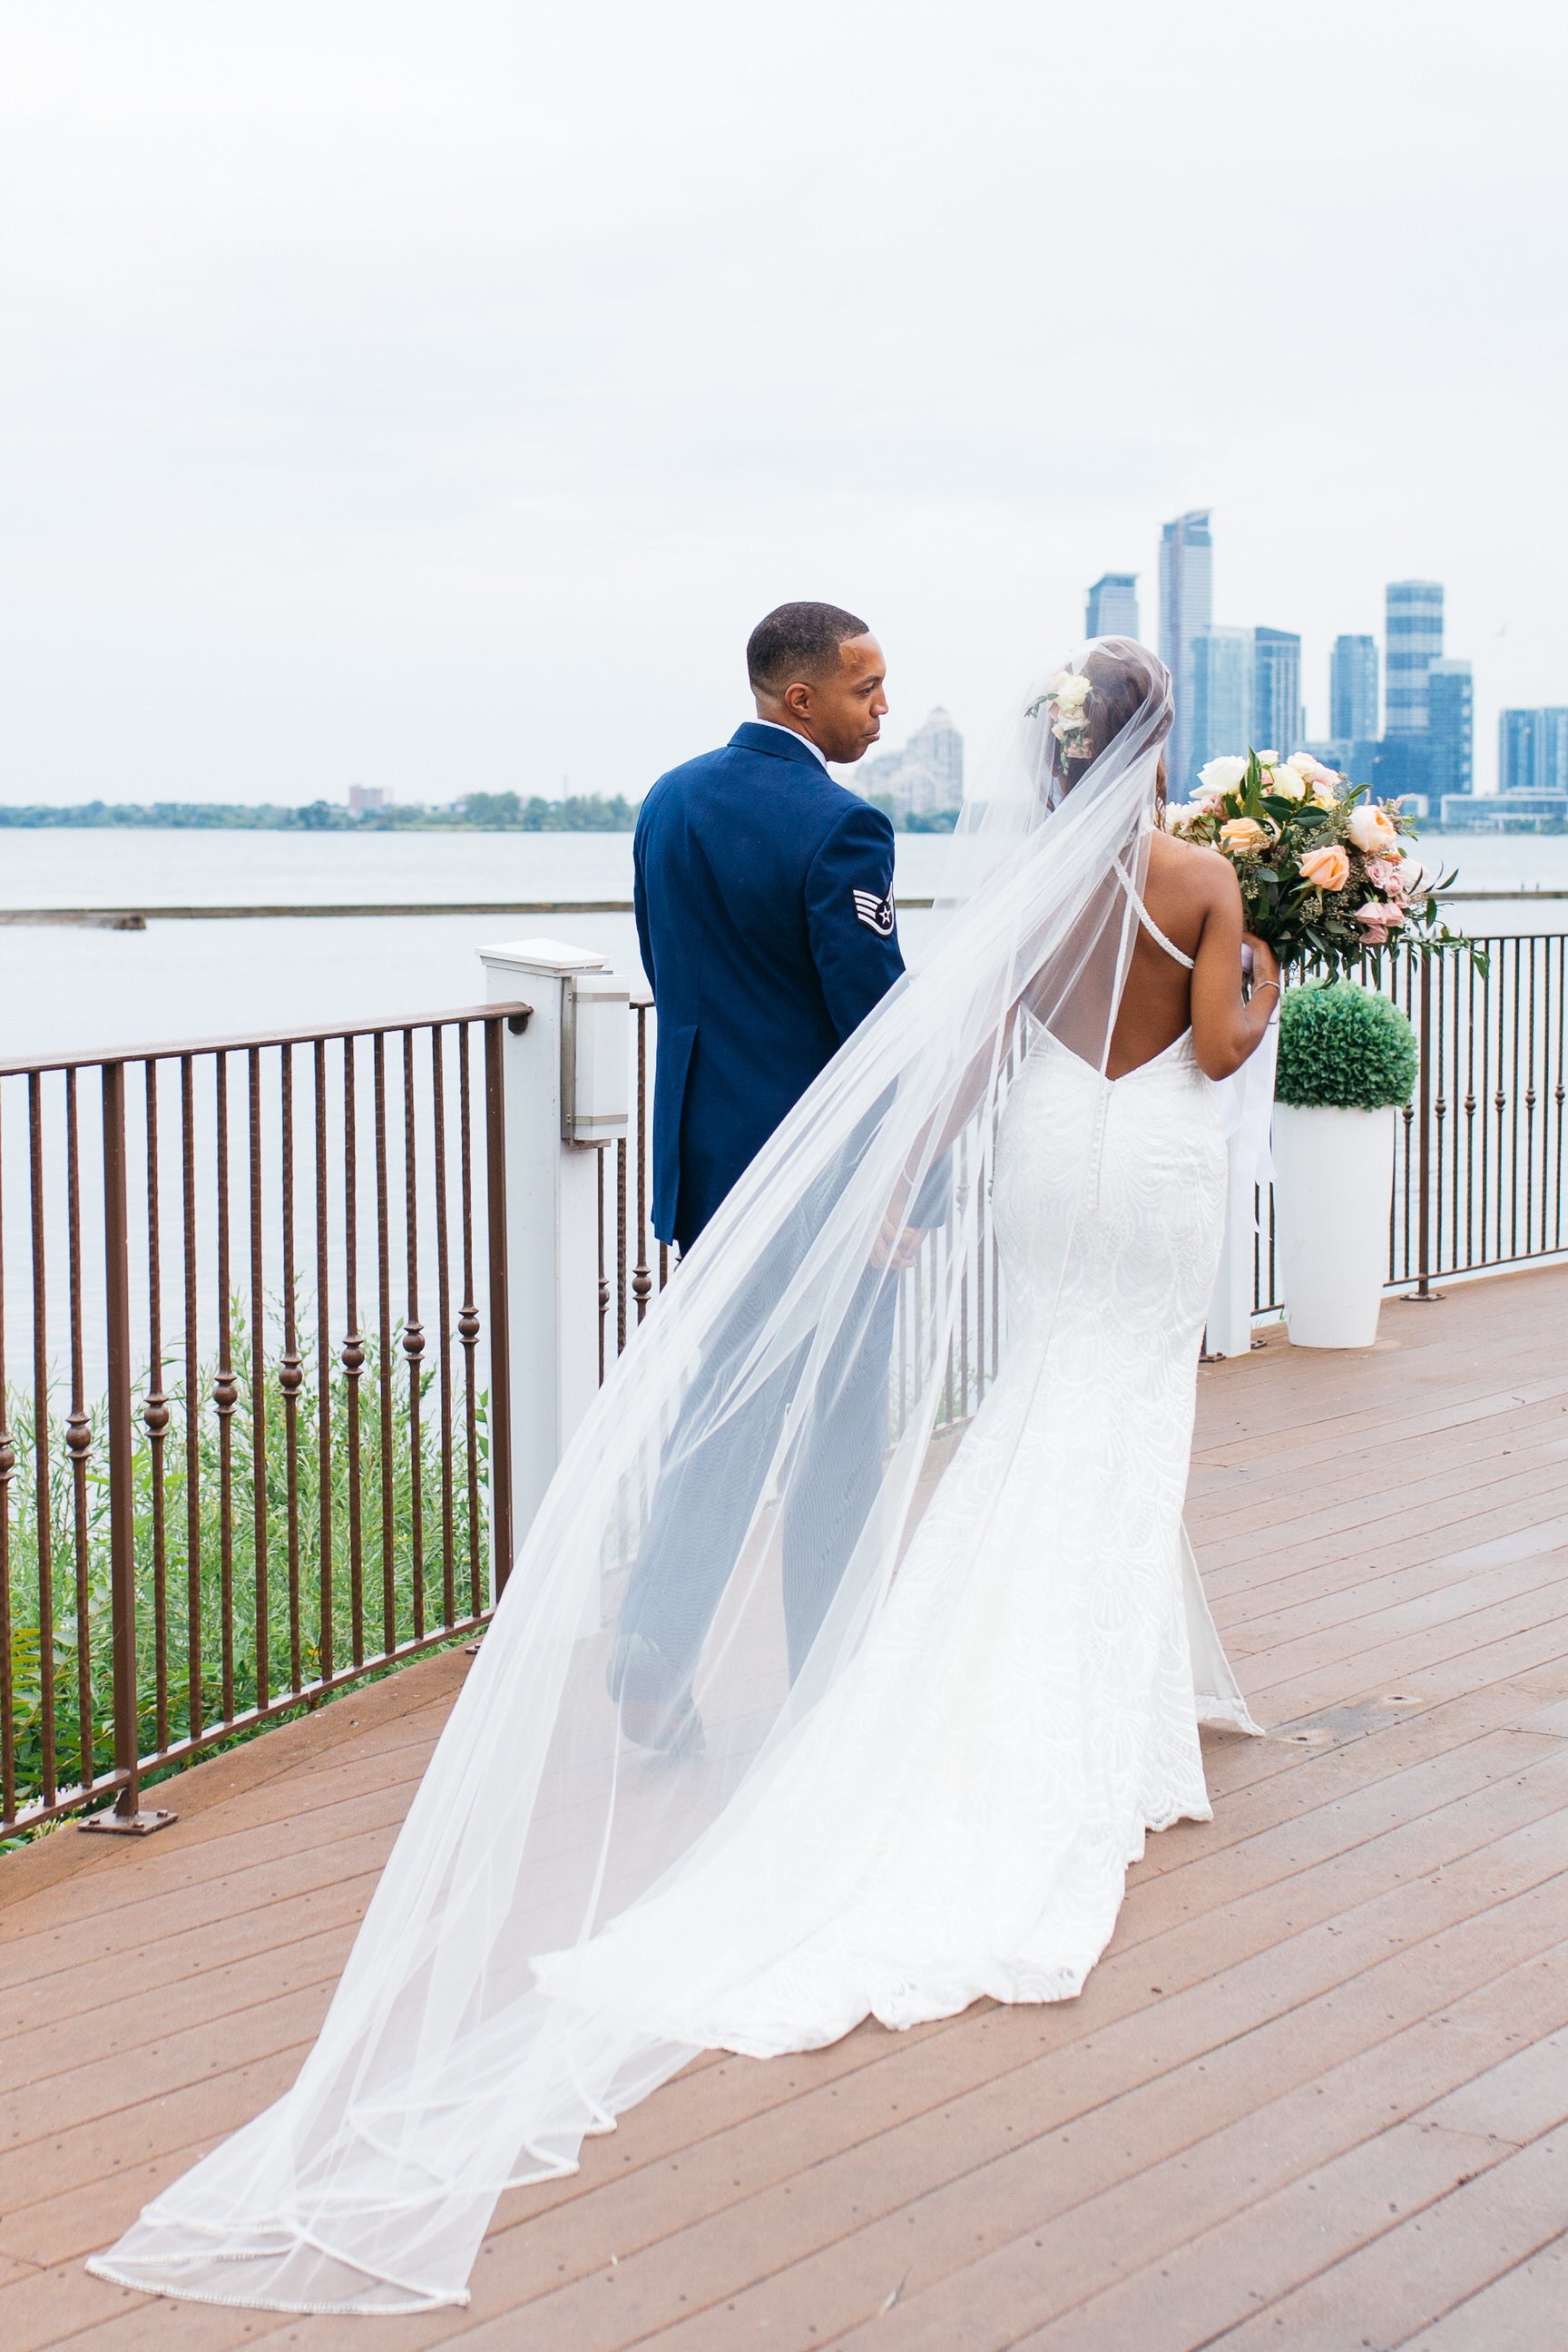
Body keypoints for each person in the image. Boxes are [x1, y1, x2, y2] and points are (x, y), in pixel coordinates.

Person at [89, 637, 1276, 2318]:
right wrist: (1271, 979)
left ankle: (781, 1660)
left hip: (839, 1153)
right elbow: (1190, 1053)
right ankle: (889, 1693)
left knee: (962, 1423)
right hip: (1122, 1165)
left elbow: (943, 1042)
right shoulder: (1162, 870)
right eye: (861, 680)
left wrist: (909, 1168)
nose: (876, 702)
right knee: (1021, 1431)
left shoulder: (781, 831)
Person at [613, 602, 930, 1746]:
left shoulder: (667, 802)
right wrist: (913, 1184)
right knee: (840, 1438)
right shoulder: (842, 828)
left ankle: (648, 1657)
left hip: (710, 1164)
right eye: (867, 689)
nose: (883, 709)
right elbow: (875, 1026)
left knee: (722, 1415)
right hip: (827, 1181)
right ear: (801, 698)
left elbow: (673, 968)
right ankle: (827, 1689)